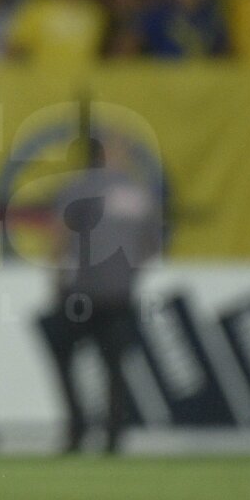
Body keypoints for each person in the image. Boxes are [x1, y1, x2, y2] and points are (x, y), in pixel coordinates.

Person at [36, 133, 161, 453]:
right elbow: (151, 246)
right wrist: (128, 272)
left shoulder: (79, 188)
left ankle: (77, 428)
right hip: (119, 293)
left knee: (62, 352)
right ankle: (113, 435)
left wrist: (56, 280)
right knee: (115, 364)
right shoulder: (140, 193)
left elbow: (59, 238)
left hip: (80, 292)